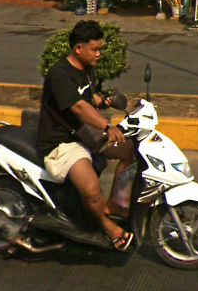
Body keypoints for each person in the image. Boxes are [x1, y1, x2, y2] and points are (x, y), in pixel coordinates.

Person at [38, 20, 135, 252]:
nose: (99, 54)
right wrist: (107, 126)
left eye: (100, 49)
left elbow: (88, 99)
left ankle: (116, 205)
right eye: (95, 49)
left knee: (130, 150)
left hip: (83, 133)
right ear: (79, 48)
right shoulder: (60, 74)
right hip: (62, 142)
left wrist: (106, 101)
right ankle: (107, 227)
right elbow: (79, 107)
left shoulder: (86, 70)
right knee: (91, 189)